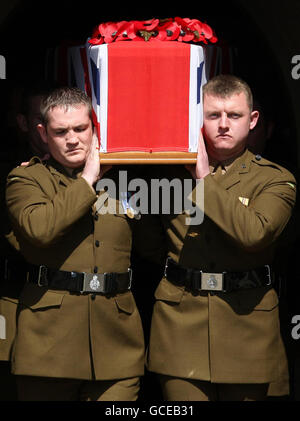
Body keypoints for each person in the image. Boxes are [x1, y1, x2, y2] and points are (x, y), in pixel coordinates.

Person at [135, 74, 297, 401]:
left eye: (234, 116)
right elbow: (147, 240)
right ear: (198, 118)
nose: (223, 124)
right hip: (180, 326)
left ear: (253, 121)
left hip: (247, 326)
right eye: (213, 115)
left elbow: (255, 234)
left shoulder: (276, 179)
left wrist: (204, 179)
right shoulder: (167, 174)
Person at [5, 86, 144, 401]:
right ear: (43, 133)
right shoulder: (26, 179)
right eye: (60, 131)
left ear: (95, 126)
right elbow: (39, 230)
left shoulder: (126, 180)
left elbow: (155, 248)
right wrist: (87, 180)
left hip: (117, 345)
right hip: (49, 348)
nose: (72, 139)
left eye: (81, 128)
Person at [0, 82, 52, 400]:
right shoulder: (11, 170)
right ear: (23, 123)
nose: (51, 127)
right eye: (41, 119)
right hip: (13, 291)